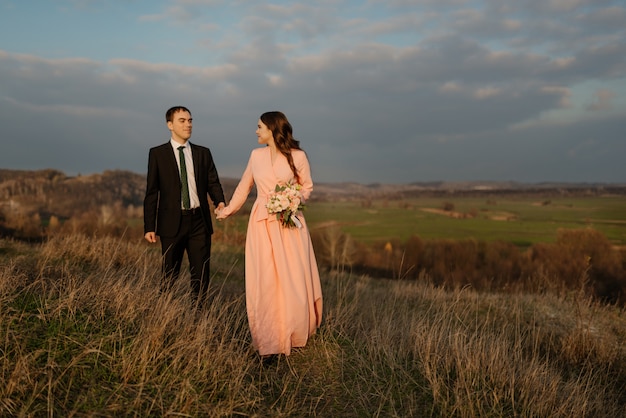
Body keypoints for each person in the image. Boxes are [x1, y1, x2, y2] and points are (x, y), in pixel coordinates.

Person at [215, 111, 323, 357]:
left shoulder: (298, 156)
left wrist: (292, 200)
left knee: (292, 276)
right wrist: (227, 211)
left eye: (259, 127)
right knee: (265, 278)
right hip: (261, 223)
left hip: (289, 224)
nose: (256, 131)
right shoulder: (255, 156)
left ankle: (295, 332)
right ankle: (269, 338)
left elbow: (306, 186)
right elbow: (245, 187)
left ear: (273, 129)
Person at [143, 106, 225, 306]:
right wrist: (149, 226)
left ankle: (199, 318)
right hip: (171, 222)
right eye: (182, 120)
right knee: (169, 274)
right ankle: (165, 315)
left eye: (190, 120)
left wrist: (220, 201)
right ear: (169, 125)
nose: (188, 124)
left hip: (199, 222)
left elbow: (213, 182)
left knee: (201, 275)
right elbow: (152, 192)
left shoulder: (203, 153)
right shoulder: (157, 154)